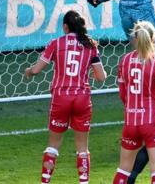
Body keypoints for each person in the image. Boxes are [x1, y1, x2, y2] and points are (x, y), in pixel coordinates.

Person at [24, 10, 107, 184]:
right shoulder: (90, 45)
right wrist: (89, 72)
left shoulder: (56, 43)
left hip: (61, 97)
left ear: (65, 27)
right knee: (82, 147)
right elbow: (101, 77)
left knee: (53, 145)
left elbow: (37, 69)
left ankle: (45, 181)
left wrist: (29, 71)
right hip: (82, 98)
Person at [112, 21, 155, 184]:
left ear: (135, 38)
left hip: (131, 122)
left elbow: (123, 94)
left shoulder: (125, 60)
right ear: (153, 39)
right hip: (152, 123)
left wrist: (132, 108)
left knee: (123, 169)